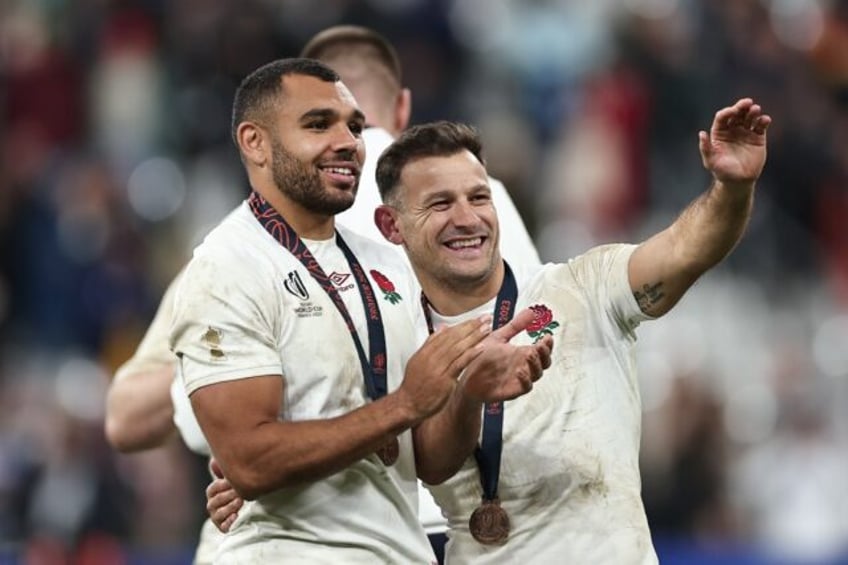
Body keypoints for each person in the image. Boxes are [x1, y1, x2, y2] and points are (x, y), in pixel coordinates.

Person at [208, 98, 771, 563]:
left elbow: (683, 251)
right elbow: (351, 447)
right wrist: (257, 483)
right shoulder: (389, 346)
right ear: (391, 225)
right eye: (439, 204)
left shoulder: (584, 290)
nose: (467, 218)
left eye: (478, 198)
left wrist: (732, 190)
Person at [103, 24, 540, 561]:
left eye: (354, 126)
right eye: (318, 124)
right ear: (254, 142)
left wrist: (468, 391)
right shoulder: (225, 266)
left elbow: (426, 458)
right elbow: (250, 460)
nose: (348, 143)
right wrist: (400, 406)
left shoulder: (389, 258)